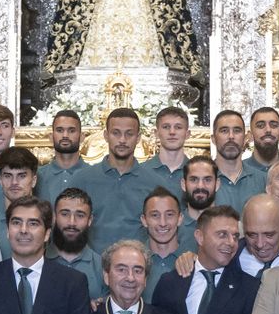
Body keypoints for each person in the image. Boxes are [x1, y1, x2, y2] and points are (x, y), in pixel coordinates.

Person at [78, 108, 148, 248]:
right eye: (116, 133)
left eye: (129, 134)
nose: (122, 140)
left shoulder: (155, 182)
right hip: (93, 266)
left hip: (138, 266)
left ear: (138, 138)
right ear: (105, 135)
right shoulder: (82, 179)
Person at [47, 188, 104, 299]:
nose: (72, 222)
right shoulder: (38, 261)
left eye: (80, 215)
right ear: (54, 217)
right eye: (64, 214)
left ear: (90, 220)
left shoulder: (102, 267)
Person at [0, 147, 40, 249]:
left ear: (34, 180)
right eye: (8, 176)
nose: (14, 182)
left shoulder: (47, 222)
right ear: (0, 180)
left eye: (21, 176)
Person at [139, 187, 191, 298]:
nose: (163, 223)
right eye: (155, 215)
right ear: (144, 220)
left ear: (180, 218)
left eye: (169, 215)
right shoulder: (133, 261)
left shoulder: (193, 262)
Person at [212, 110, 266, 212]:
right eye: (224, 131)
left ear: (245, 138)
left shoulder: (263, 180)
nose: (231, 136)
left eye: (237, 131)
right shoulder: (202, 181)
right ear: (213, 139)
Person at [140, 106, 191, 198]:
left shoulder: (196, 173)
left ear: (187, 134)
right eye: (166, 127)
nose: (172, 132)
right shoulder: (140, 172)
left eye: (178, 127)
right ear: (156, 133)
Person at [40, 109, 89, 201]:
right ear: (51, 136)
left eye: (71, 130)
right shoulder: (37, 176)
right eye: (59, 130)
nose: (65, 135)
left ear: (82, 137)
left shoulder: (94, 175)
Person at [180, 155, 218, 225]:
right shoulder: (173, 228)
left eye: (207, 180)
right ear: (183, 184)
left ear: (217, 184)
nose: (200, 186)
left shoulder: (229, 226)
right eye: (194, 180)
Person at [247, 106, 279, 173]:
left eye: (274, 125)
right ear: (250, 135)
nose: (268, 130)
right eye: (260, 126)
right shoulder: (238, 171)